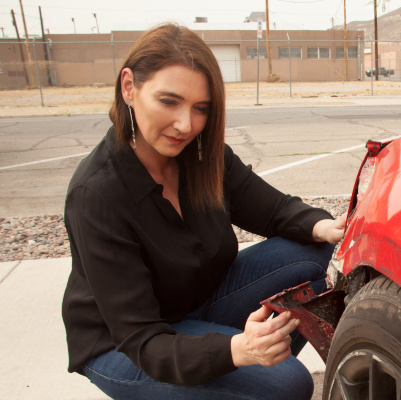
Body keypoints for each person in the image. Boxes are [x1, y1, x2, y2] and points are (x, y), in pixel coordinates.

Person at [61, 23, 345, 399]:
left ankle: (235, 384)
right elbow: (142, 338)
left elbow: (275, 209)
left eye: (201, 109)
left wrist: (330, 226)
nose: (186, 125)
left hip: (197, 304)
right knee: (288, 382)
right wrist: (238, 351)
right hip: (126, 345)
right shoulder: (96, 194)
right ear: (129, 87)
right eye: (169, 101)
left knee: (312, 251)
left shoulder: (201, 156)